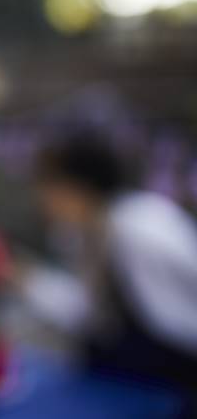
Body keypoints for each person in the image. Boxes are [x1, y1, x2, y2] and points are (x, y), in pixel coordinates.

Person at [26, 130, 197, 399]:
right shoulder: (84, 234)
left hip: (170, 388)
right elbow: (90, 314)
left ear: (79, 186)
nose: (42, 198)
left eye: (49, 185)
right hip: (125, 388)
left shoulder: (143, 228)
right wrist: (23, 277)